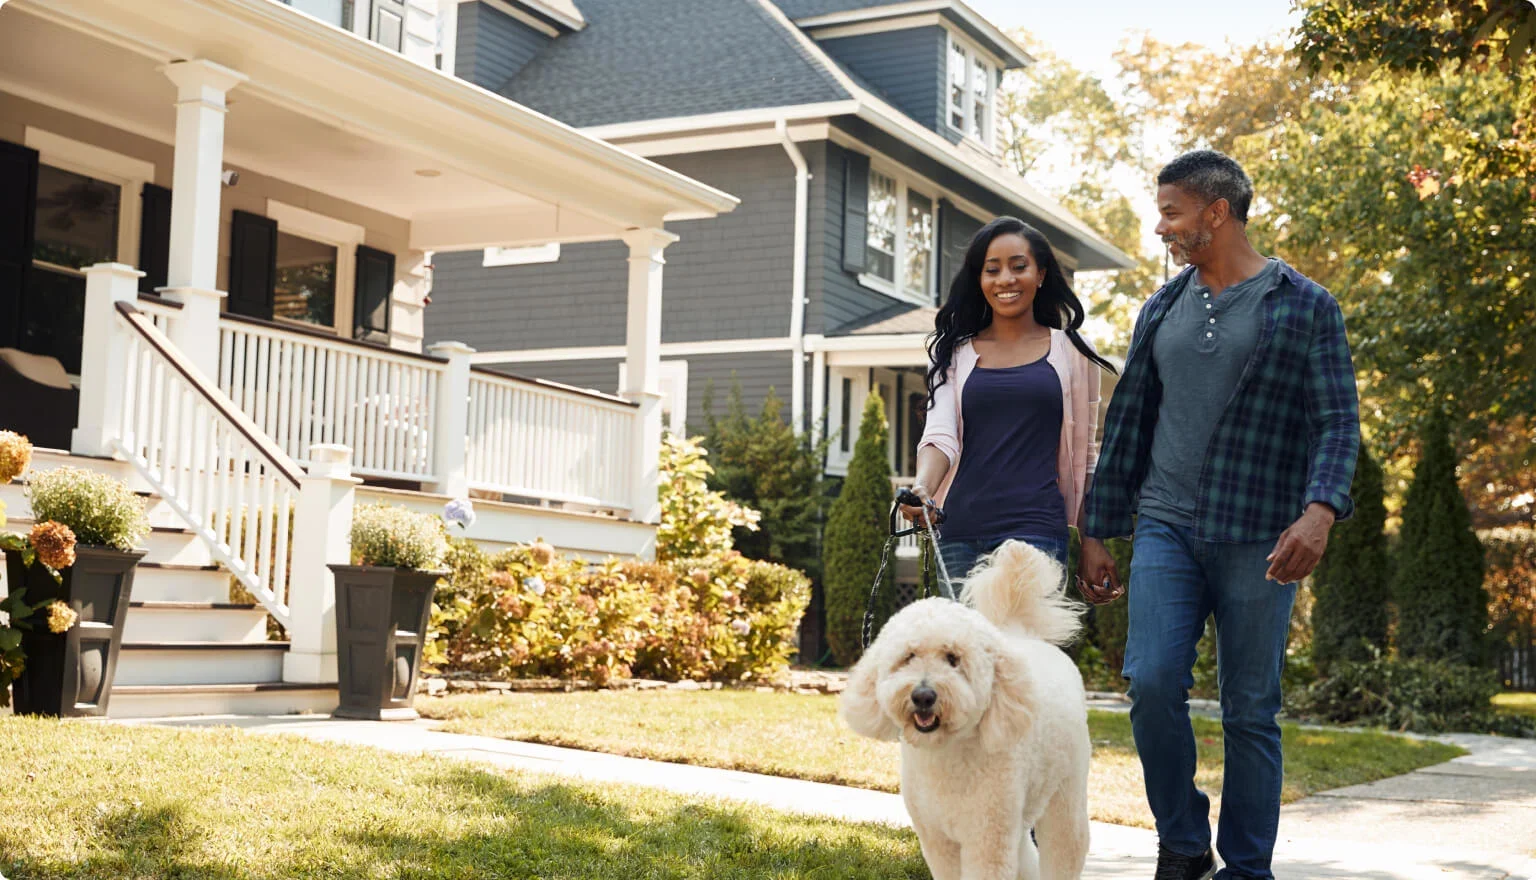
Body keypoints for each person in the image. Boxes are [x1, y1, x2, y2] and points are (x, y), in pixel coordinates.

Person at [1078, 150, 1360, 880]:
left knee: (1250, 709)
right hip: (1165, 525)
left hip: (1260, 533)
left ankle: (1247, 868)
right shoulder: (1161, 307)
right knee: (1151, 683)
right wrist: (1096, 528)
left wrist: (1320, 512)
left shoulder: (1306, 305)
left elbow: (1336, 421)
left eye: (1171, 212)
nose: (1161, 227)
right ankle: (1181, 841)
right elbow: (1129, 423)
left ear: (1217, 212)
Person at [903, 216, 1117, 583]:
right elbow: (939, 435)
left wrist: (1091, 540)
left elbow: (1086, 458)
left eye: (1019, 267)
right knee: (963, 626)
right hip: (960, 535)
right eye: (992, 270)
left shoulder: (1074, 352)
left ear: (1041, 274)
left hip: (1037, 534)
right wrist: (923, 488)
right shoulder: (951, 352)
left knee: (1027, 626)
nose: (1005, 279)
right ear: (979, 279)